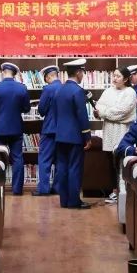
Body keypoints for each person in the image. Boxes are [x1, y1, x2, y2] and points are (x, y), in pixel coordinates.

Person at [0, 62, 31, 195]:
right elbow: (26, 108)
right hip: (16, 128)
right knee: (17, 158)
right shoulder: (22, 88)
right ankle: (17, 190)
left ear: (3, 72)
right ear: (14, 74)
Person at [53, 57, 92, 209]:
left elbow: (55, 113)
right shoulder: (77, 91)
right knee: (74, 168)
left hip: (60, 135)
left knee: (62, 168)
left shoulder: (59, 90)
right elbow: (82, 115)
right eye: (82, 72)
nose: (83, 75)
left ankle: (64, 200)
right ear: (78, 72)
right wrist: (87, 136)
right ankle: (74, 201)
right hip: (75, 136)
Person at [95, 66, 137, 203]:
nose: (114, 78)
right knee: (111, 163)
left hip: (122, 131)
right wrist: (105, 112)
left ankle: (123, 193)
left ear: (125, 79)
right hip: (108, 131)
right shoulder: (108, 91)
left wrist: (104, 113)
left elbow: (122, 112)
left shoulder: (130, 92)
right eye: (114, 75)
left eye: (118, 76)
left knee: (122, 161)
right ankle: (114, 191)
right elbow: (98, 106)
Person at [33, 64, 61, 196]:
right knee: (60, 160)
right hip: (63, 131)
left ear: (49, 77)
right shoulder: (65, 88)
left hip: (49, 129)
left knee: (44, 159)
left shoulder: (48, 89)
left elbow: (42, 110)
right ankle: (58, 188)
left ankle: (43, 189)